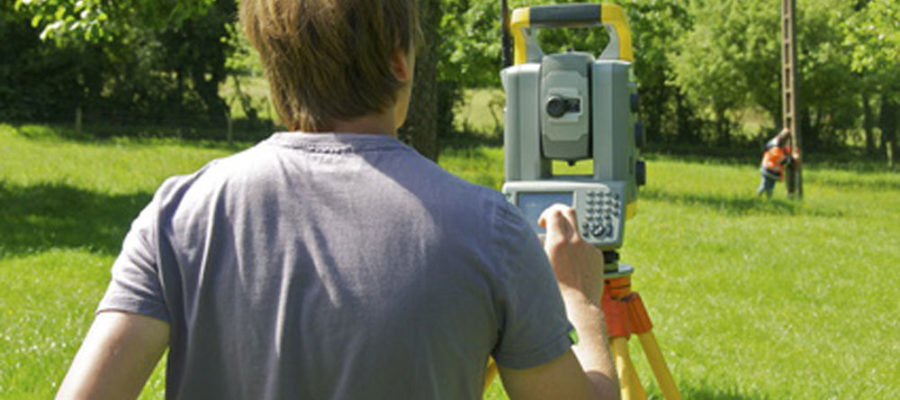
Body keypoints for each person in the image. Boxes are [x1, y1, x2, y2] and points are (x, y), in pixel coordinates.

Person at [56, 1, 619, 399]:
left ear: (270, 62)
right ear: (399, 61)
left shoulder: (179, 215)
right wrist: (581, 302)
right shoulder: (490, 230)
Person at [757, 128, 794, 199]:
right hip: (769, 170)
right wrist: (792, 158)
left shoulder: (775, 143)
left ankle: (766, 199)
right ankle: (759, 198)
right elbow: (783, 161)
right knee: (765, 186)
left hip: (770, 170)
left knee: (768, 186)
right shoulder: (777, 150)